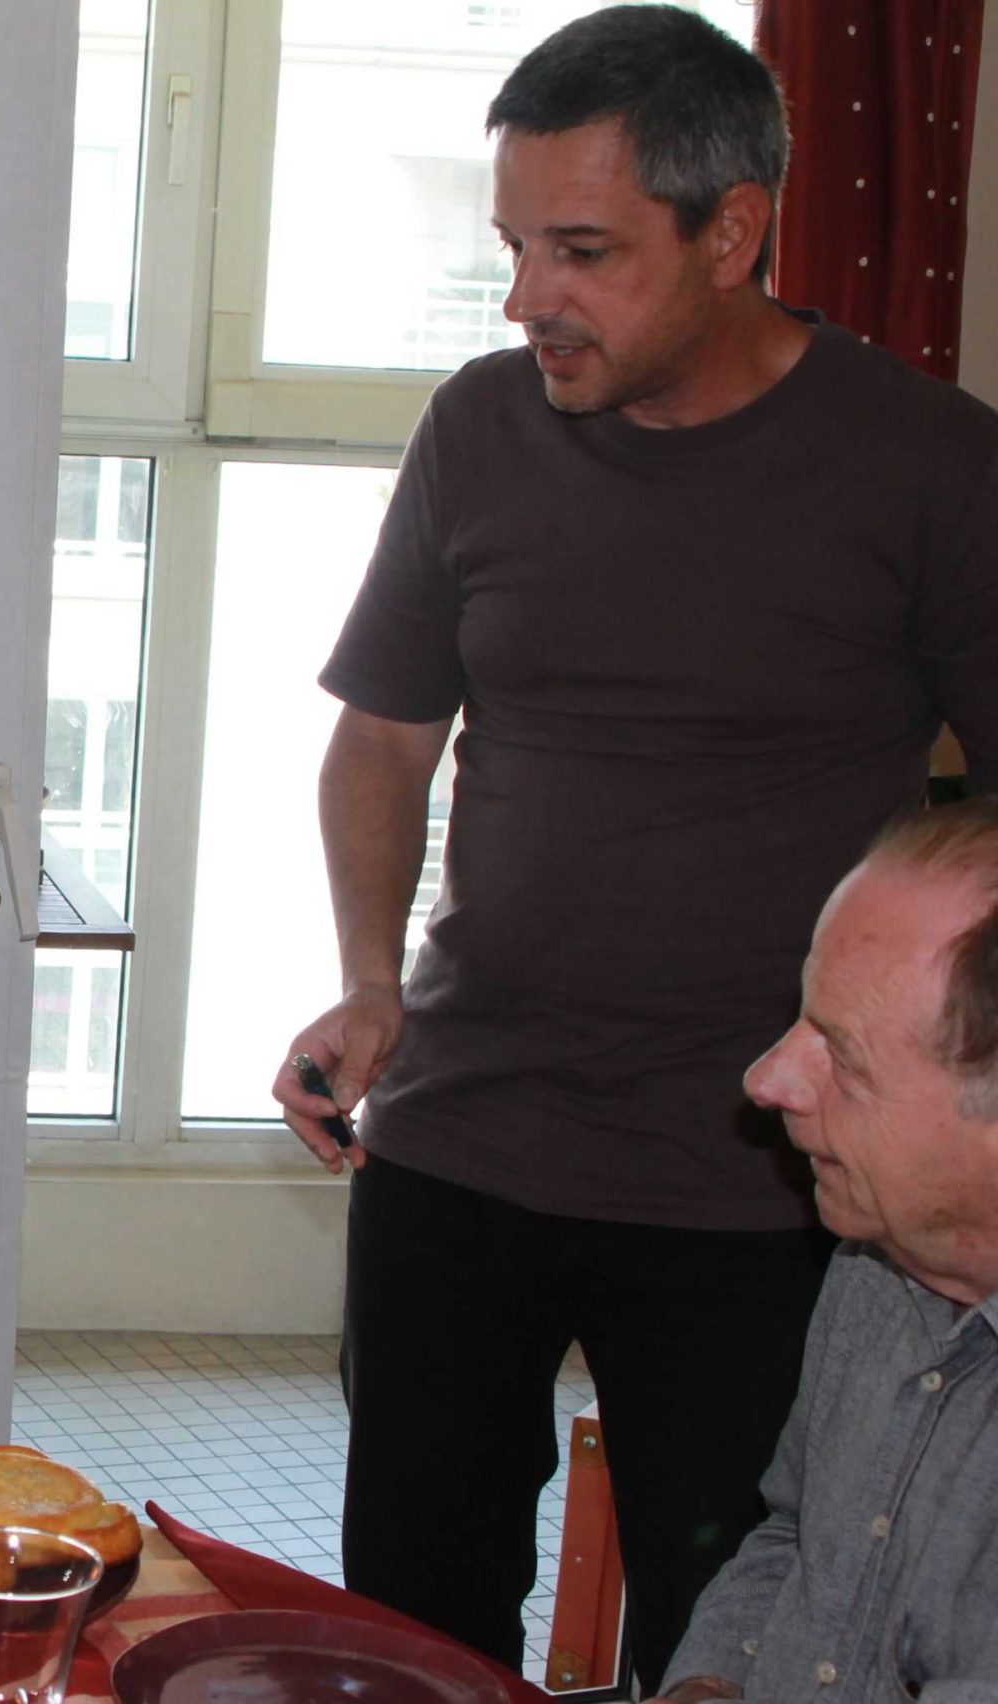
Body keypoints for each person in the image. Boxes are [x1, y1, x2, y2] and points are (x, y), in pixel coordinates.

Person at [269, 5, 998, 1685]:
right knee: (408, 1625)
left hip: (763, 1178)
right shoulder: (478, 428)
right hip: (465, 1136)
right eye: (516, 245)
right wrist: (370, 981)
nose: (528, 295)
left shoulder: (932, 468)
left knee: (729, 1623)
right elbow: (384, 735)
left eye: (582, 251)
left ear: (733, 232)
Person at [657, 803, 998, 1702]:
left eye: (842, 1055)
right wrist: (709, 1682)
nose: (766, 1079)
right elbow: (803, 1539)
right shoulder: (878, 1260)